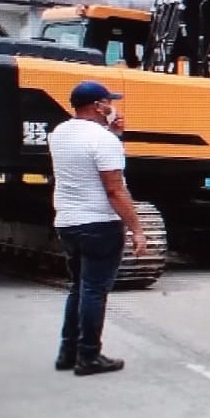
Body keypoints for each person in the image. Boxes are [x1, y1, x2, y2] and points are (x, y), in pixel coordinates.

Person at [48, 80, 147, 376]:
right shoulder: (104, 142)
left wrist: (113, 134)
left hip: (68, 222)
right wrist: (137, 229)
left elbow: (83, 156)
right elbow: (114, 190)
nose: (111, 106)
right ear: (98, 106)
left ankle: (68, 351)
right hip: (99, 224)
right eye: (108, 102)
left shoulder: (59, 134)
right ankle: (88, 356)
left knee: (78, 287)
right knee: (94, 290)